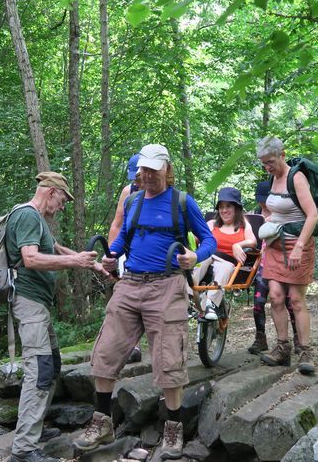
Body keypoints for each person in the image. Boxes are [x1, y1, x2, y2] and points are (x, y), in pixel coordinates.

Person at [73, 144, 216, 460]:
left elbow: (210, 239)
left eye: (153, 169)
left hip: (167, 285)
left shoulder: (182, 202)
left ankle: (173, 428)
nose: (146, 175)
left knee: (169, 360)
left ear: (167, 169)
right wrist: (112, 256)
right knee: (105, 351)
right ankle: (102, 421)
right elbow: (124, 237)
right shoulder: (134, 200)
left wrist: (196, 255)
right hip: (130, 284)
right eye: (142, 170)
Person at [6, 171, 109, 462]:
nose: (63, 206)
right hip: (29, 304)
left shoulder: (38, 220)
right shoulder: (27, 216)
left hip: (38, 304)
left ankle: (32, 432)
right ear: (51, 192)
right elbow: (31, 258)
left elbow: (53, 248)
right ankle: (24, 449)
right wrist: (74, 261)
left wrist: (90, 264)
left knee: (51, 366)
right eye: (63, 199)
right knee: (39, 370)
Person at [256, 136, 318, 375]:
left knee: (295, 299)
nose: (267, 167)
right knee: (275, 296)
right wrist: (266, 224)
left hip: (297, 247)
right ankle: (282, 348)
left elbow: (312, 215)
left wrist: (300, 246)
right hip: (275, 246)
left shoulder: (297, 177)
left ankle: (304, 350)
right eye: (263, 164)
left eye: (270, 162)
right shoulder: (273, 178)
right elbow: (279, 213)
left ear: (282, 154)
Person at [248, 181, 299, 355]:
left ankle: (297, 338)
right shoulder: (254, 215)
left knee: (288, 302)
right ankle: (260, 337)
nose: (262, 203)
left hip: (280, 263)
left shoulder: (281, 213)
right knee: (258, 302)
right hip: (262, 264)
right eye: (260, 200)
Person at [193, 187, 257, 320]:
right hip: (208, 256)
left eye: (228, 206)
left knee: (225, 267)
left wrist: (238, 244)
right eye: (221, 207)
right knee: (200, 261)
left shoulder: (243, 225)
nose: (224, 210)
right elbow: (195, 240)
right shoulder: (212, 224)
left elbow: (253, 241)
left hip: (227, 262)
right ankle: (188, 297)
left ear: (236, 208)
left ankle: (211, 304)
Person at [108, 153, 143, 364]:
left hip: (152, 256)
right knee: (122, 293)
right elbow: (117, 223)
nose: (136, 182)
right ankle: (130, 345)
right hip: (128, 248)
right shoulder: (128, 191)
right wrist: (112, 253)